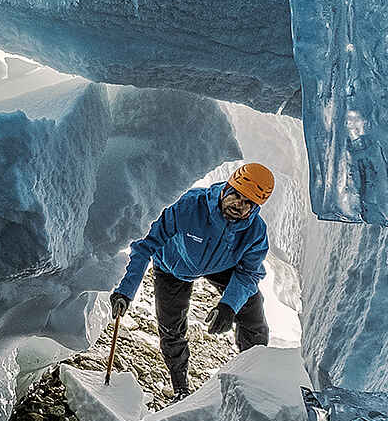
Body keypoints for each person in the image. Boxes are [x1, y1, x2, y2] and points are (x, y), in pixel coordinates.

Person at [109, 162, 274, 397]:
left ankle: (254, 379)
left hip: (222, 265)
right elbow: (145, 244)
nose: (239, 205)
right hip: (173, 264)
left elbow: (249, 273)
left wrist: (229, 305)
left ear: (256, 207)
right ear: (226, 188)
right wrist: (125, 291)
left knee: (252, 309)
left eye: (248, 203)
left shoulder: (255, 232)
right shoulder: (188, 205)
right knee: (171, 326)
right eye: (237, 195)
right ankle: (180, 389)